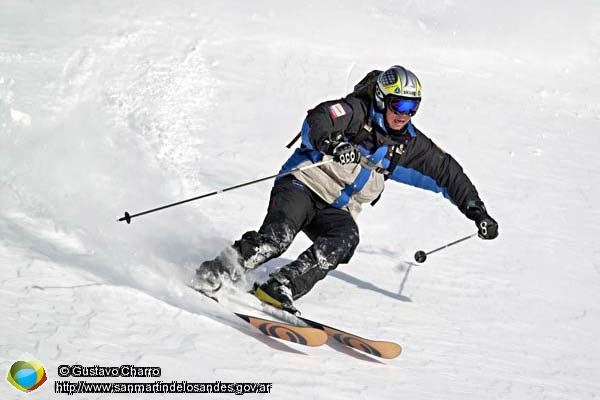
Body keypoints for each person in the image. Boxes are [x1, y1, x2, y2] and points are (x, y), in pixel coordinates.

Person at [190, 65, 499, 314]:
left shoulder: (408, 144)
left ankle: (280, 285)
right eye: (399, 104)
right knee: (277, 238)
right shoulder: (355, 112)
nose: (404, 114)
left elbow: (447, 172)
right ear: (382, 99)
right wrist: (333, 143)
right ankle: (219, 269)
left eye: (413, 107)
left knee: (346, 239)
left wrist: (477, 211)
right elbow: (318, 119)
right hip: (303, 185)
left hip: (336, 208)